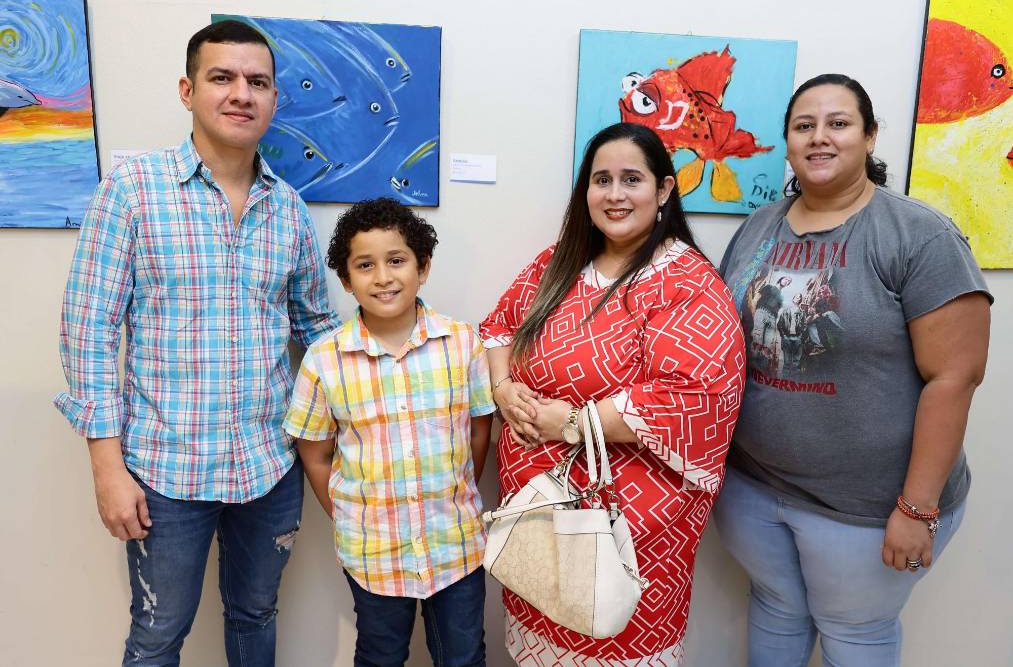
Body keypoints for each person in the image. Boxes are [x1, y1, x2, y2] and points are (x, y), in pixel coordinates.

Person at [54, 20, 338, 666]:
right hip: (164, 471)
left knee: (255, 616)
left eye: (257, 82)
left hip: (270, 465)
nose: (241, 93)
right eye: (222, 77)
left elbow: (316, 329)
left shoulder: (289, 208)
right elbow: (88, 329)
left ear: (274, 98)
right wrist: (106, 467)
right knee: (157, 635)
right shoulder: (133, 190)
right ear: (188, 90)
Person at [715, 73, 992, 666]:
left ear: (869, 136)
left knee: (854, 633)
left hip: (867, 509)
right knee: (776, 608)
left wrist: (917, 509)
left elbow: (955, 378)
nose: (820, 137)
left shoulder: (918, 236)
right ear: (788, 142)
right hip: (755, 488)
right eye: (804, 125)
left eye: (838, 123)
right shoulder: (759, 227)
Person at [480, 122, 745, 665]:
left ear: (664, 189)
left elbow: (692, 397)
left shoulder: (687, 283)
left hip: (628, 527)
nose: (615, 194)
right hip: (537, 514)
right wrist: (504, 388)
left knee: (611, 634)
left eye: (631, 179)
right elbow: (499, 327)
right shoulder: (558, 262)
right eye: (601, 180)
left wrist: (570, 423)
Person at [284, 198, 496, 667]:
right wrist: (347, 515)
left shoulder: (462, 343)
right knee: (380, 656)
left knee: (463, 657)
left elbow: (478, 433)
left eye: (396, 260)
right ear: (346, 279)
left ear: (423, 267)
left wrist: (455, 495)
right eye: (365, 265)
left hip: (456, 545)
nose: (382, 277)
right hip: (373, 552)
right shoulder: (325, 360)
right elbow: (315, 454)